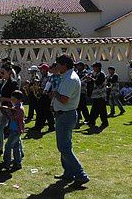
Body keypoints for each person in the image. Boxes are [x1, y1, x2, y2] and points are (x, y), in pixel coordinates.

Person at [52, 54, 89, 186]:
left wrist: (55, 93)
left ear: (64, 65)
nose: (56, 67)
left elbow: (64, 99)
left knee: (64, 147)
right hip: (64, 115)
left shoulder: (70, 79)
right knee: (65, 146)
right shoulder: (66, 77)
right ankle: (68, 172)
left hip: (66, 115)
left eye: (57, 64)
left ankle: (80, 174)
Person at [0, 90, 25, 172]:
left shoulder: (20, 109)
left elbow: (13, 117)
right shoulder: (16, 107)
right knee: (16, 147)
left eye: (14, 99)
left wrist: (8, 111)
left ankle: (6, 164)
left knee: (8, 147)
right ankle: (17, 163)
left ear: (19, 100)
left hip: (16, 130)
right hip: (14, 129)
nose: (12, 101)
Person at [87, 62, 109, 129]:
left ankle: (92, 121)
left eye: (94, 67)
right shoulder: (96, 74)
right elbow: (93, 82)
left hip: (100, 95)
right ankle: (102, 122)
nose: (93, 68)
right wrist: (89, 79)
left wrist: (91, 78)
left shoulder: (101, 74)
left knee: (97, 110)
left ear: (98, 67)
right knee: (100, 110)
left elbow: (98, 82)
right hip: (96, 94)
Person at [75, 62, 91, 127]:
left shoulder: (86, 73)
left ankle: (87, 118)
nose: (77, 67)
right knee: (77, 106)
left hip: (82, 91)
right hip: (76, 92)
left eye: (79, 66)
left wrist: (80, 82)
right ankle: (78, 118)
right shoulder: (76, 73)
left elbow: (86, 81)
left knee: (83, 106)